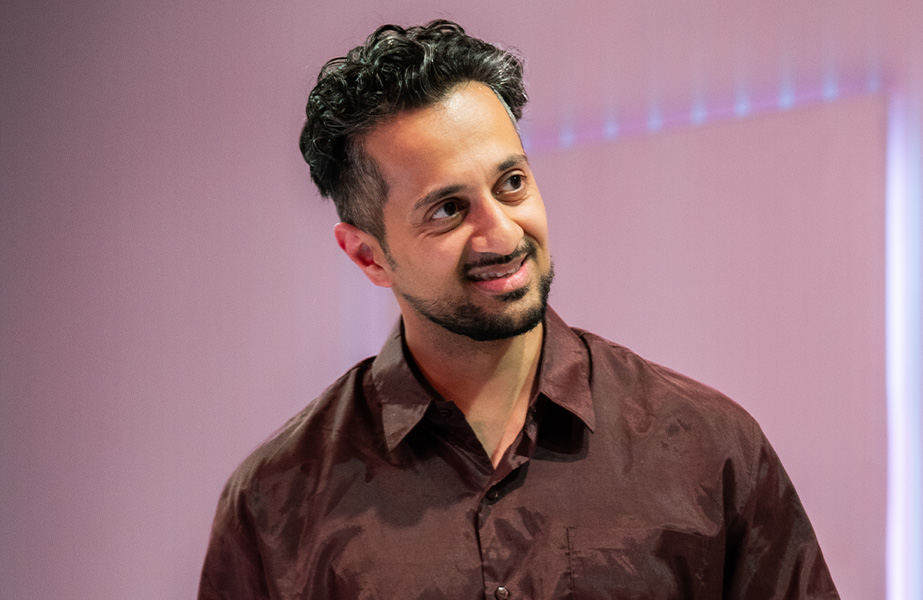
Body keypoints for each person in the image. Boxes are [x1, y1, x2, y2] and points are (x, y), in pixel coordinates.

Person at [199, 20, 838, 600]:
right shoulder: (274, 504)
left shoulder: (708, 447)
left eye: (512, 184)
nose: (502, 234)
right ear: (369, 256)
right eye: (448, 209)